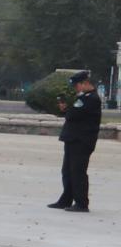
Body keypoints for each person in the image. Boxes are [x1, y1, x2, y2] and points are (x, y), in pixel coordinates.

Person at [51, 70, 100, 212]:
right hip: (73, 139)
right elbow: (71, 113)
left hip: (81, 141)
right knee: (67, 171)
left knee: (78, 172)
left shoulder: (91, 99)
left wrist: (68, 109)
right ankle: (66, 199)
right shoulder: (83, 97)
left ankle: (81, 203)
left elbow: (73, 114)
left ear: (85, 83)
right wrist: (65, 109)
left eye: (77, 86)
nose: (75, 89)